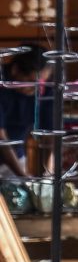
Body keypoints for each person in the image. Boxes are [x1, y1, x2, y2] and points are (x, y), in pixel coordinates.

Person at [0, 45, 52, 178]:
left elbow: (52, 135)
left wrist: (50, 172)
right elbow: (1, 137)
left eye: (40, 83)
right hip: (8, 154)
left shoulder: (44, 88)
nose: (36, 88)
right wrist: (23, 176)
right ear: (15, 70)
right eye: (30, 81)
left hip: (15, 157)